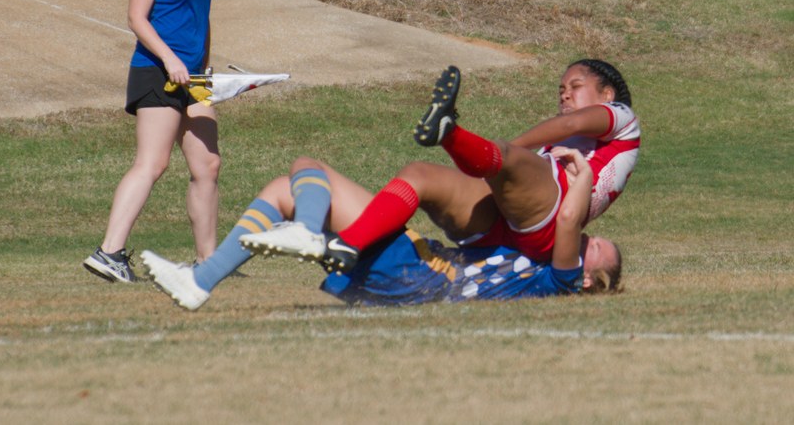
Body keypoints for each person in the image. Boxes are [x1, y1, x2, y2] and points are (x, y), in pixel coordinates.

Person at [247, 60, 639, 270]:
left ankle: (451, 134)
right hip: (503, 230)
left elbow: (569, 123)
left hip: (551, 223)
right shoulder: (560, 144)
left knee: (511, 160)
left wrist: (503, 149)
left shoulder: (622, 117)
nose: (564, 95)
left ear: (606, 93)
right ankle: (348, 245)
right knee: (421, 175)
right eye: (560, 89)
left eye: (575, 86)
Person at [139, 146, 621, 310]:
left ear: (585, 278)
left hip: (422, 275)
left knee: (305, 172)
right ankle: (200, 282)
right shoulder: (541, 269)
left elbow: (568, 217)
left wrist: (580, 173)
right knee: (287, 183)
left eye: (598, 247)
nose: (588, 238)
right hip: (414, 267)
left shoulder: (555, 281)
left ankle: (304, 233)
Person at [83, 0, 220, 283]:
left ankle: (209, 262)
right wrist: (170, 58)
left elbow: (201, 18)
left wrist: (204, 66)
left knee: (208, 164)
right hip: (156, 70)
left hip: (193, 76)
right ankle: (109, 252)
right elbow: (136, 19)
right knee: (152, 162)